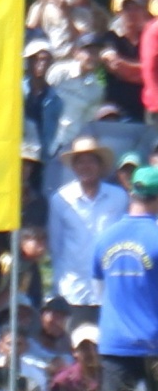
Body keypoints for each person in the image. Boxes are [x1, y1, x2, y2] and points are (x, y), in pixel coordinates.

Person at [90, 165, 158, 391]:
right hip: (154, 342)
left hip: (115, 341)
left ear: (132, 193)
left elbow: (98, 290)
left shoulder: (106, 237)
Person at [48, 135, 128, 322]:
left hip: (110, 287)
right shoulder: (61, 199)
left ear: (100, 165)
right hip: (73, 289)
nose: (86, 166)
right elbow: (56, 245)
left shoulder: (119, 197)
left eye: (91, 161)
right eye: (80, 162)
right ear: (74, 167)